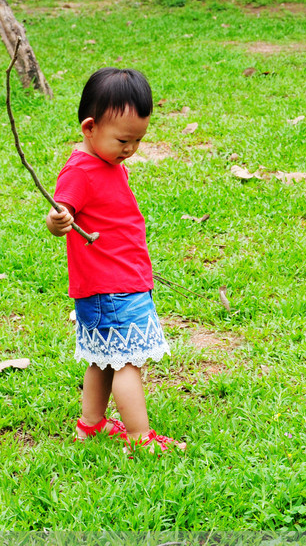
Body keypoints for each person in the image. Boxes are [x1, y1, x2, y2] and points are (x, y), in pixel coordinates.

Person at [46, 67, 185, 454]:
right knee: (128, 362)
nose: (130, 149)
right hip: (113, 285)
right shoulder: (81, 170)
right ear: (89, 127)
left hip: (111, 281)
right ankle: (141, 438)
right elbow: (62, 212)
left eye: (138, 140)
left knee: (103, 358)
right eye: (123, 140)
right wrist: (59, 220)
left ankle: (90, 425)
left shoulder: (106, 162)